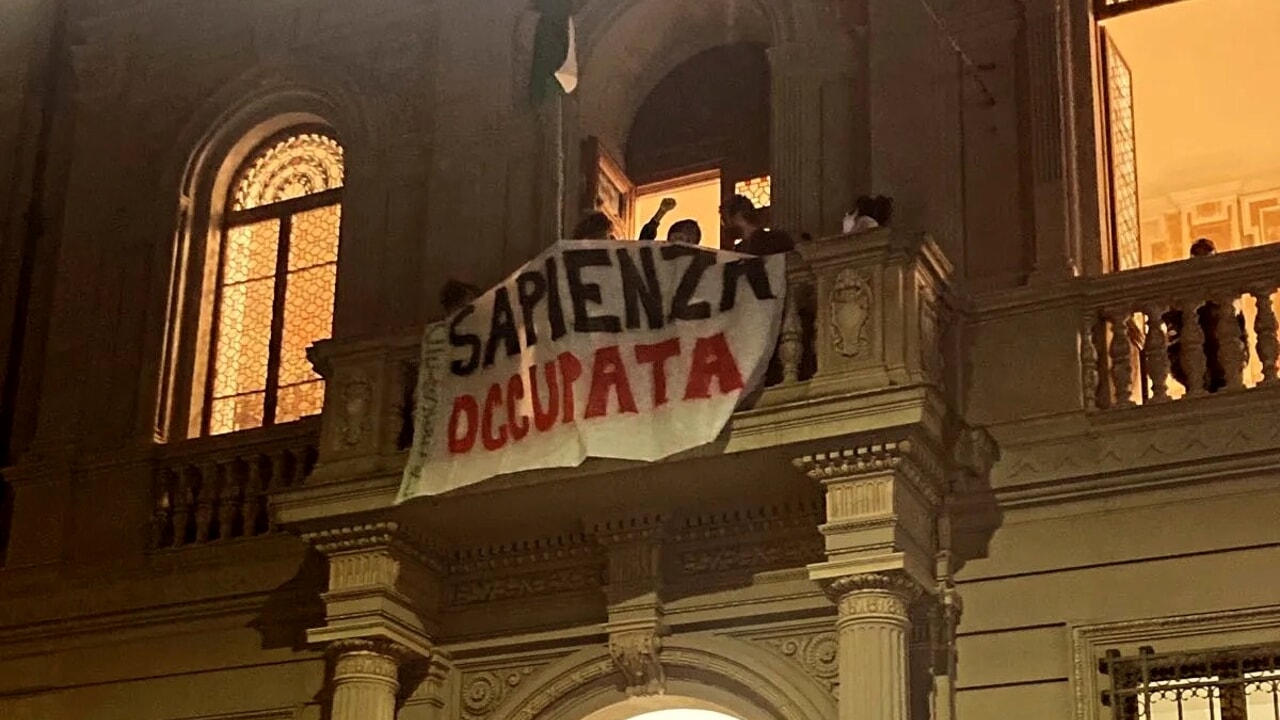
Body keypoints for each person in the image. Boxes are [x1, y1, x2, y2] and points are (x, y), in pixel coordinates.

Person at [1163, 238, 1247, 393]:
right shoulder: (1181, 300)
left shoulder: (1227, 297)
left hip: (1223, 365)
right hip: (1194, 366)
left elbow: (1240, 333)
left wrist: (1239, 362)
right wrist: (1180, 369)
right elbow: (1173, 337)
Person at [721, 194, 793, 256]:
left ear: (738, 217)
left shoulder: (777, 240)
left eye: (725, 221)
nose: (725, 227)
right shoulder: (739, 249)